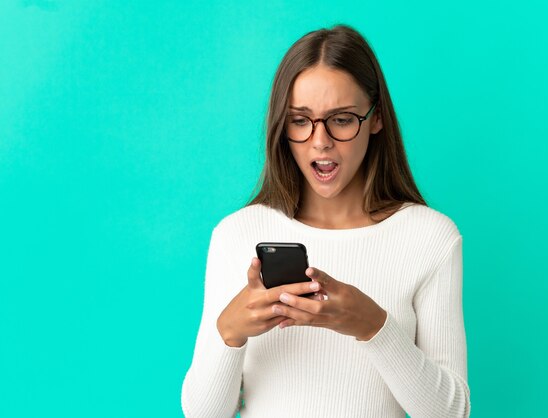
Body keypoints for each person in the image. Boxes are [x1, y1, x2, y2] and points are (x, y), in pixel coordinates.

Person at [181, 24, 471, 418]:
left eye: (341, 119)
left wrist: (372, 326)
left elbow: (450, 412)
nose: (320, 141)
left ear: (376, 119)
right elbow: (203, 414)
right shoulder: (237, 234)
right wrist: (229, 333)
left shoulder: (430, 238)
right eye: (300, 120)